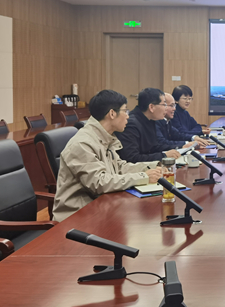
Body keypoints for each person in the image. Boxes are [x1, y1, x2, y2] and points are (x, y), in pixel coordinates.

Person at [52, 90, 163, 221]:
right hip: (78, 216)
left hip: (100, 207)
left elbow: (120, 167)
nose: (128, 116)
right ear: (112, 113)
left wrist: (153, 167)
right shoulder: (82, 143)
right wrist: (144, 177)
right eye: (125, 110)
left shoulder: (105, 137)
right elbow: (99, 183)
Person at [116, 88, 183, 163]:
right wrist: (163, 156)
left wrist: (179, 147)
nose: (166, 108)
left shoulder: (150, 119)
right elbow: (132, 158)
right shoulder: (131, 124)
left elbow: (153, 147)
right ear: (151, 107)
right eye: (164, 104)